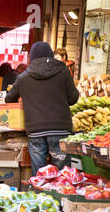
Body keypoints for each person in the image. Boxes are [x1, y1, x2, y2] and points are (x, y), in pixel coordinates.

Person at [5, 41, 79, 175]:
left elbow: (8, 99)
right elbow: (73, 98)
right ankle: (61, 195)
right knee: (62, 175)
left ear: (32, 57)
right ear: (50, 55)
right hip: (60, 129)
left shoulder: (23, 77)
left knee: (39, 174)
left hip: (36, 130)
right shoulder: (63, 72)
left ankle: (40, 194)